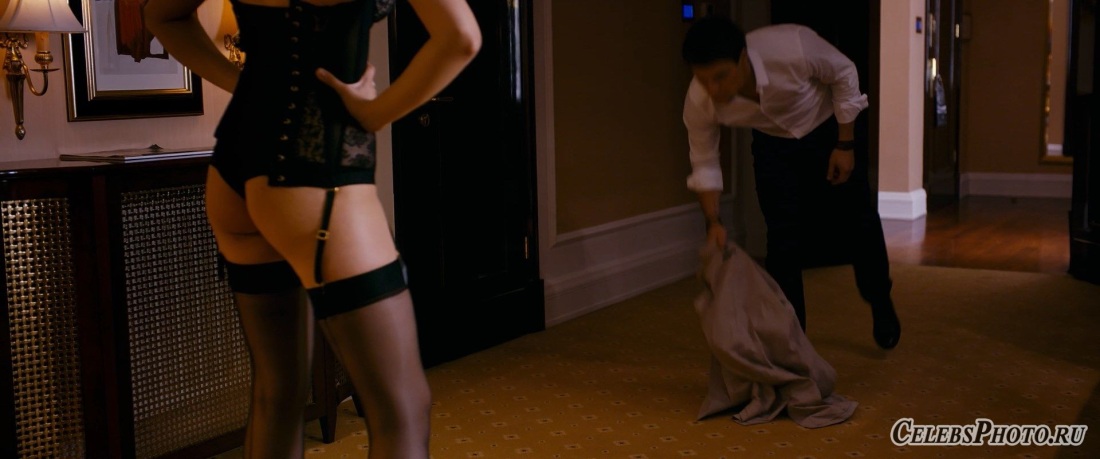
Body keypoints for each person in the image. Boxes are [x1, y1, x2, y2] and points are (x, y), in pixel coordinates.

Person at [144, 1, 480, 458]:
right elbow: (461, 38)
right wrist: (374, 113)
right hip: (313, 174)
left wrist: (242, 84)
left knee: (277, 392)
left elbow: (161, 15)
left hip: (233, 174)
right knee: (402, 409)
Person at [680, 15, 901, 350]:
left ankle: (880, 299)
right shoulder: (699, 100)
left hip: (825, 129)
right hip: (772, 146)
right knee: (783, 241)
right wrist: (713, 221)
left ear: (743, 58)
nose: (713, 89)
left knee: (860, 223)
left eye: (721, 76)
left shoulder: (791, 46)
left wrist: (845, 144)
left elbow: (844, 72)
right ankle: (794, 342)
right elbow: (704, 160)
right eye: (703, 79)